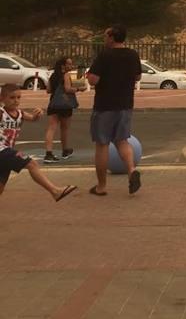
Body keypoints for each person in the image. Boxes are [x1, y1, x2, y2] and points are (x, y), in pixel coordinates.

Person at [86, 25, 142, 197]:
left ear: (111, 37)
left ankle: (101, 186)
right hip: (125, 104)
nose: (104, 38)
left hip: (105, 105)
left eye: (105, 35)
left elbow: (94, 80)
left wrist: (89, 75)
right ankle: (132, 169)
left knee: (102, 144)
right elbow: (138, 76)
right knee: (122, 140)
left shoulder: (105, 55)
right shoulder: (132, 54)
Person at [0, 84, 76, 201]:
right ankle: (55, 191)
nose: (16, 101)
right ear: (2, 99)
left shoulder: (20, 113)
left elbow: (32, 118)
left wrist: (37, 114)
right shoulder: (1, 113)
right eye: (12, 98)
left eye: (18, 97)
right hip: (2, 150)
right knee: (32, 164)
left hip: (6, 154)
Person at [44, 56, 79, 162]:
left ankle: (49, 153)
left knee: (51, 128)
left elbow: (48, 90)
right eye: (69, 64)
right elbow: (68, 89)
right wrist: (78, 89)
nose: (71, 66)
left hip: (53, 103)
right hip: (65, 104)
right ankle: (65, 150)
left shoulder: (53, 76)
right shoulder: (67, 75)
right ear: (63, 66)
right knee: (64, 128)